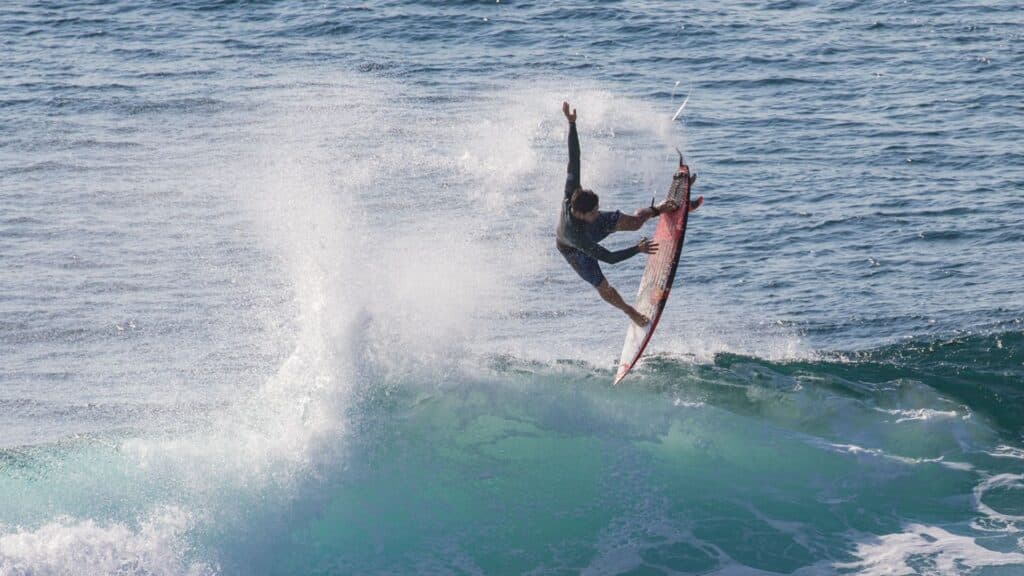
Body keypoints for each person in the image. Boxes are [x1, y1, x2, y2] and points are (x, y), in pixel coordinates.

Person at [556, 101, 680, 327]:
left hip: (586, 230)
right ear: (581, 213)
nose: (598, 213)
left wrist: (572, 124)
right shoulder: (576, 237)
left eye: (597, 208)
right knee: (603, 286)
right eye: (594, 212)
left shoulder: (573, 192)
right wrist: (638, 249)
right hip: (573, 250)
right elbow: (610, 258)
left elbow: (574, 158)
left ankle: (657, 208)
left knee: (634, 223)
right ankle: (630, 312)